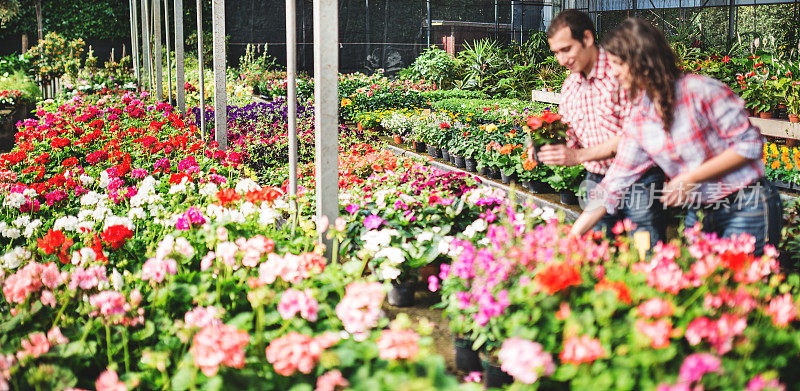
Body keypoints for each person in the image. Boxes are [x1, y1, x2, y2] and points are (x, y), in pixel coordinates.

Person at [570, 17, 783, 256]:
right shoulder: (641, 117)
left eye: (618, 63)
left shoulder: (700, 91)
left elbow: (750, 145)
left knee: (747, 287)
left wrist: (689, 178)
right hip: (701, 211)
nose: (614, 72)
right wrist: (571, 236)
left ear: (642, 60)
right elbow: (613, 183)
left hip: (746, 204)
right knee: (699, 289)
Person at [540, 9, 666, 247]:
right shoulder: (570, 86)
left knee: (645, 246)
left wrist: (578, 156)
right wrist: (544, 145)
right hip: (597, 178)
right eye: (556, 52)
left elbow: (636, 137)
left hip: (641, 178)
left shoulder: (623, 72)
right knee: (602, 249)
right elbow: (570, 135)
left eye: (566, 49)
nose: (561, 59)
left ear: (587, 39)